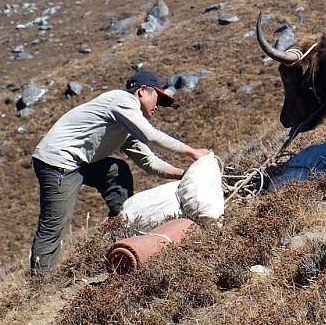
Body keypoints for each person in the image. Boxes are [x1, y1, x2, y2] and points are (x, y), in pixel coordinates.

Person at [29, 70, 210, 275]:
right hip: (58, 162)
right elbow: (150, 135)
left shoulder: (126, 125)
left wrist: (186, 174)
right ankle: (40, 282)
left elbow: (149, 161)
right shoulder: (121, 100)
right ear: (142, 91)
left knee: (117, 170)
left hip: (82, 162)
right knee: (55, 224)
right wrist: (192, 152)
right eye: (157, 98)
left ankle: (121, 228)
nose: (158, 106)